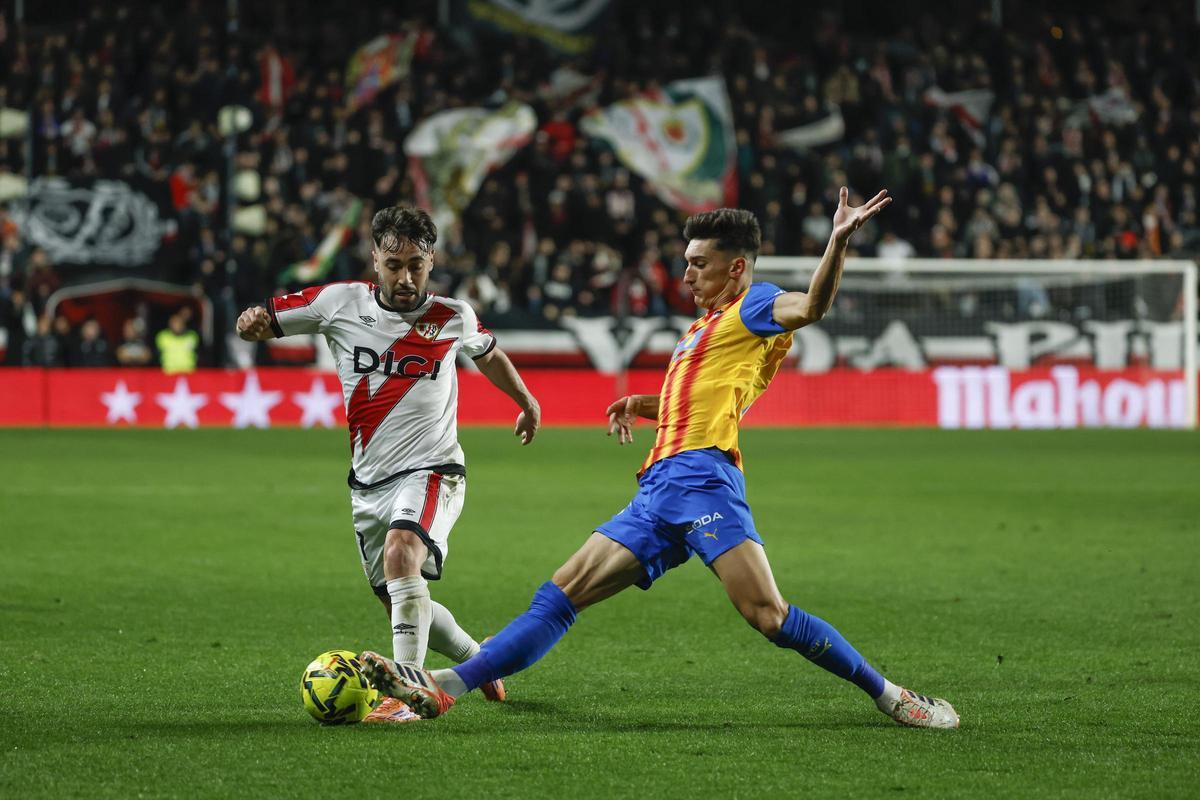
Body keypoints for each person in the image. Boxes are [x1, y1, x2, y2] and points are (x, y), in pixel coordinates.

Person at [361, 189, 960, 729]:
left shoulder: (757, 305)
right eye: (688, 259)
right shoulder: (704, 329)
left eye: (700, 263)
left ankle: (892, 696)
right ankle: (444, 687)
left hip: (703, 482)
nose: (687, 271)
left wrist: (837, 241)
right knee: (561, 594)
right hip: (658, 489)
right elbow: (693, 398)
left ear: (738, 268)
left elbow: (813, 308)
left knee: (770, 616)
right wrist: (642, 403)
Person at [235, 206, 541, 724]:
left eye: (417, 266)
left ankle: (407, 697)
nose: (405, 278)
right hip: (368, 483)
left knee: (403, 556)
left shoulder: (452, 315)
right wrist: (253, 323)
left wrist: (526, 401)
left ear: (432, 260)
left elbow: (487, 353)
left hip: (434, 469)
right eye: (394, 264)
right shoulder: (339, 303)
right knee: (402, 599)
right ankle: (480, 661)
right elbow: (265, 321)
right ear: (374, 257)